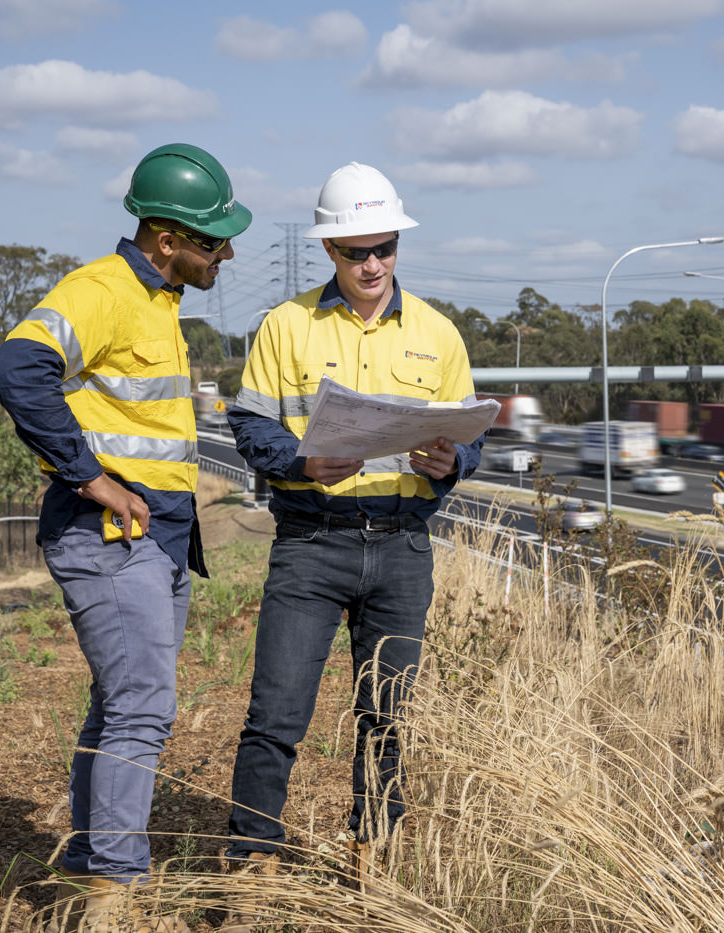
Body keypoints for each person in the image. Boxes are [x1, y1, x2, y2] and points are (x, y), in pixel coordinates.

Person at [0, 143, 251, 931]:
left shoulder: (162, 302)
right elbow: (17, 368)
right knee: (143, 706)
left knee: (119, 706)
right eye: (211, 239)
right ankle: (113, 896)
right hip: (105, 533)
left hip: (160, 538)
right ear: (165, 238)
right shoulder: (101, 289)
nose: (226, 253)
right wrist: (88, 475)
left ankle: (83, 875)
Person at [222, 162, 483, 884]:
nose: (372, 264)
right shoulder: (287, 326)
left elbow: (471, 437)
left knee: (387, 718)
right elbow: (248, 426)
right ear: (328, 251)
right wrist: (302, 464)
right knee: (275, 714)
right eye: (354, 251)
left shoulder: (438, 332)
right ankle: (250, 863)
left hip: (402, 545)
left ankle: (374, 856)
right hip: (311, 544)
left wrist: (451, 460)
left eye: (384, 247)